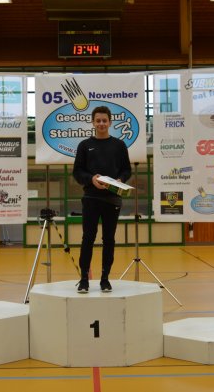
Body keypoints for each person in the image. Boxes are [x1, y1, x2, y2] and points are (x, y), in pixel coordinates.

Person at [73, 105, 132, 293]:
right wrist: (91, 179)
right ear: (93, 122)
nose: (101, 123)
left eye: (104, 120)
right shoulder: (84, 145)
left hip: (112, 199)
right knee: (88, 238)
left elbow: (127, 170)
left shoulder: (119, 145)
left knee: (109, 239)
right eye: (98, 120)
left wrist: (120, 180)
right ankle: (84, 280)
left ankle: (105, 279)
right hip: (91, 198)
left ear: (110, 122)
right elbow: (77, 172)